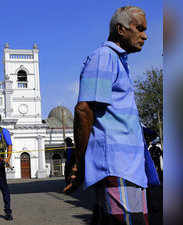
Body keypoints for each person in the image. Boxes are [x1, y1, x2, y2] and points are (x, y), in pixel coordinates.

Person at [66, 6, 159, 224]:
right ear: (121, 29)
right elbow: (84, 110)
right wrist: (80, 164)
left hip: (128, 168)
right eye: (139, 29)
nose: (145, 35)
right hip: (118, 168)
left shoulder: (118, 61)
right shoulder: (104, 57)